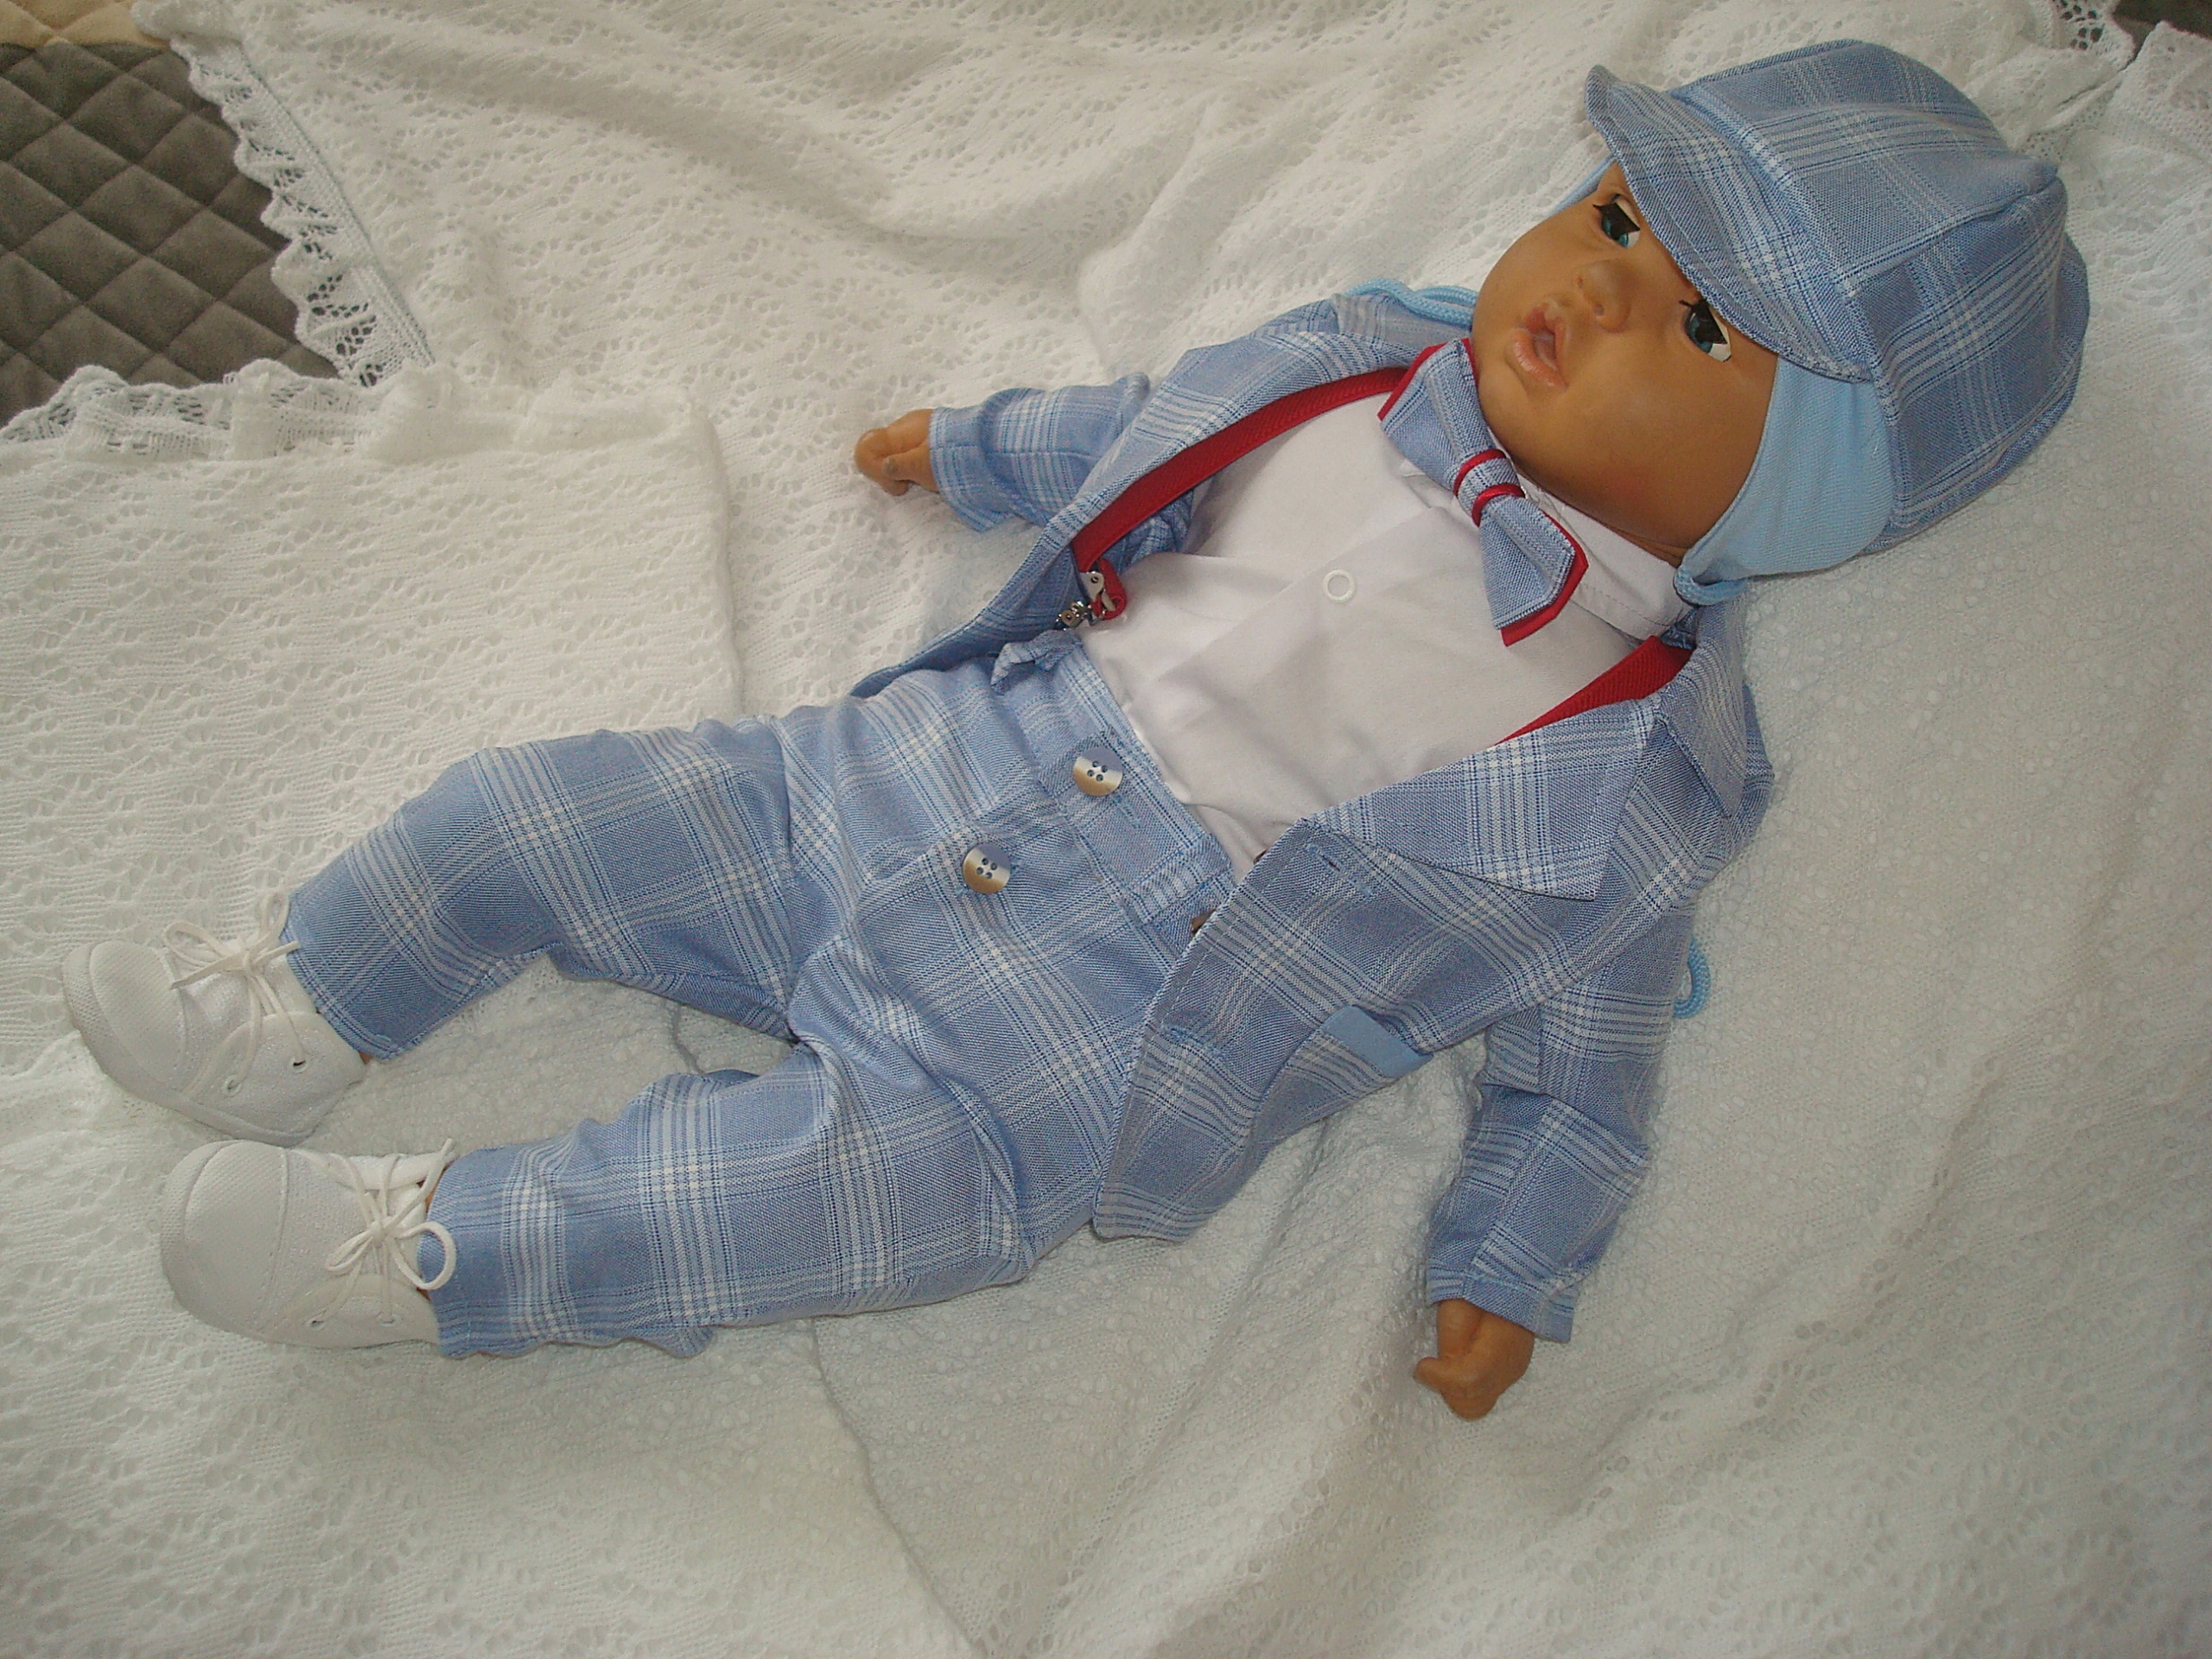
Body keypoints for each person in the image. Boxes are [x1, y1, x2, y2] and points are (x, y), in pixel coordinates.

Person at [61, 41, 2087, 1421]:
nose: (1606, 290)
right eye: (1621, 221)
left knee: (785, 1205)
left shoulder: (1631, 778)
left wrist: (1512, 1260)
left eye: (1704, 329)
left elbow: (1587, 1069)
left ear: (1796, 497)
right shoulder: (1355, 365)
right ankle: (309, 991)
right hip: (922, 765)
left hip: (1097, 1041)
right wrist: (969, 446)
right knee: (547, 809)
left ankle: (424, 1253)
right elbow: (1145, 434)